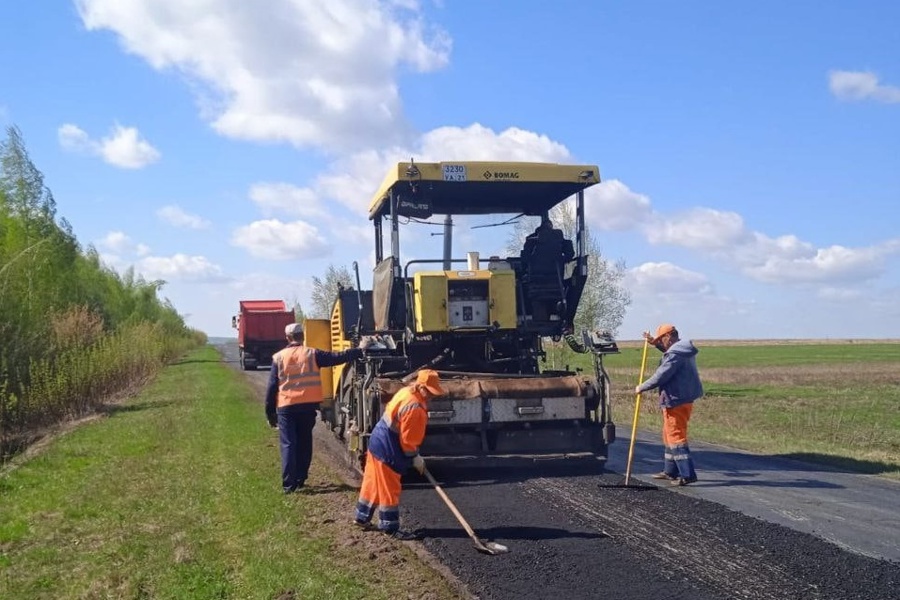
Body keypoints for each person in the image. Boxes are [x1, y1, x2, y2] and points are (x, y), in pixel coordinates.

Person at [265, 323, 366, 494]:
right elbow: (337, 357)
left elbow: (272, 387)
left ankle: (289, 485)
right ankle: (301, 478)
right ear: (302, 336)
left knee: (289, 443)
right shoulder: (312, 354)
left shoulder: (279, 358)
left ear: (288, 338)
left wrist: (270, 413)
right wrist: (359, 350)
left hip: (286, 407)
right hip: (307, 406)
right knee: (304, 442)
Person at [353, 369, 446, 540]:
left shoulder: (405, 392)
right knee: (390, 488)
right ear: (421, 387)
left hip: (377, 439)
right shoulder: (416, 408)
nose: (431, 397)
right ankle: (390, 527)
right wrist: (414, 457)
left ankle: (361, 516)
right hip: (388, 446)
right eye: (430, 392)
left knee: (372, 483)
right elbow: (408, 440)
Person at [635, 323, 704, 486]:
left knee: (675, 437)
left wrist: (641, 387)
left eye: (661, 339)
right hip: (682, 398)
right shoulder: (682, 349)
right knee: (668, 435)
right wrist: (654, 342)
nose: (661, 342)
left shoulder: (675, 354)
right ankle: (670, 471)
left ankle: (687, 474)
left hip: (676, 400)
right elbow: (669, 351)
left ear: (668, 337)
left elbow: (661, 376)